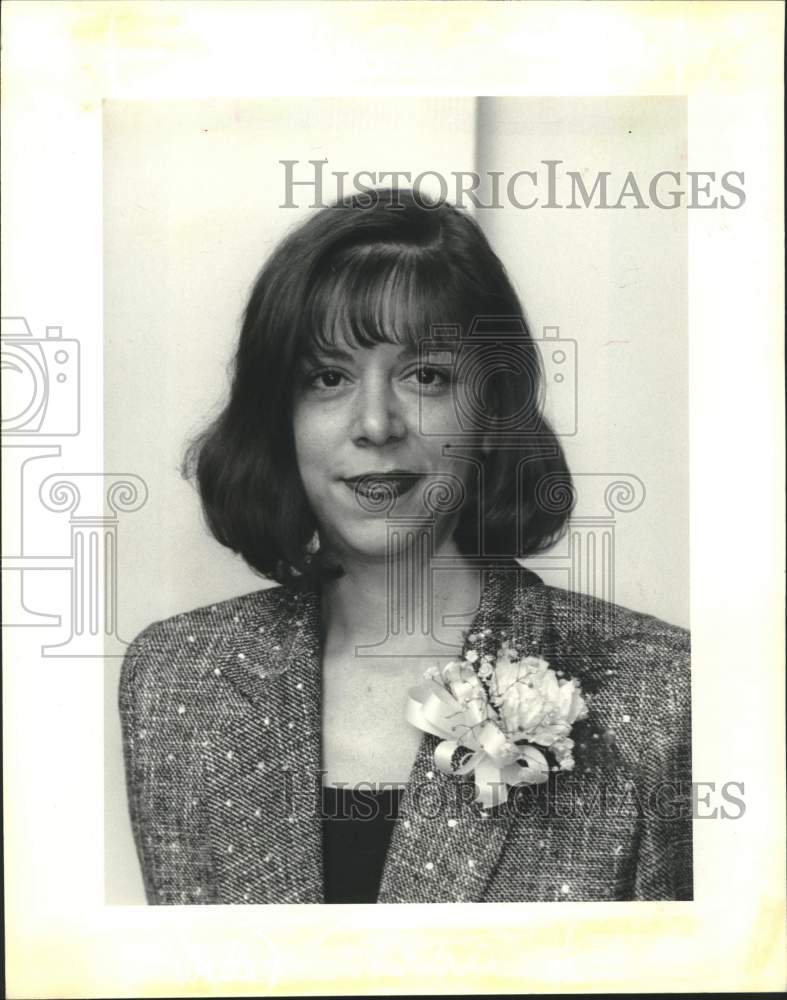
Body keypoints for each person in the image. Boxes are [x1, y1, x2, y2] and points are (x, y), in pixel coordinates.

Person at [119, 188, 692, 905]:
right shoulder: (177, 682)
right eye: (325, 378)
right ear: (279, 421)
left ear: (491, 412)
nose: (375, 424)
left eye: (425, 376)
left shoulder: (664, 691)